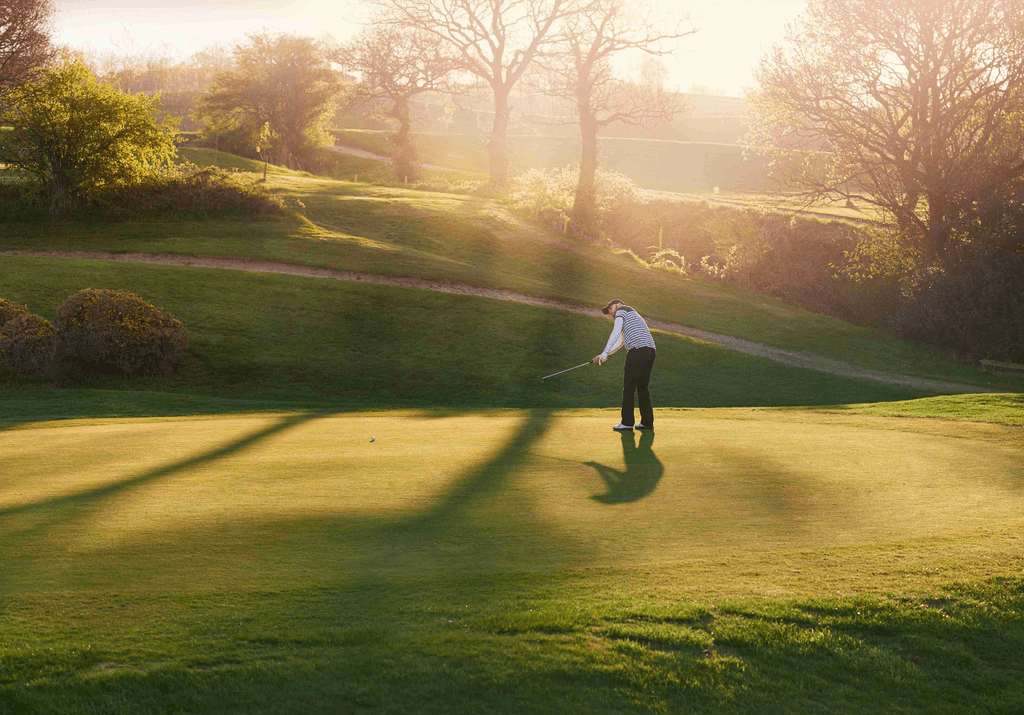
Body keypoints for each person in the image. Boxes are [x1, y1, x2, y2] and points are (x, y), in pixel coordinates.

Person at [591, 299, 657, 431]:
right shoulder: (632, 316)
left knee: (628, 387)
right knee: (642, 387)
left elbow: (615, 332)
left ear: (617, 305)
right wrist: (606, 354)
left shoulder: (622, 310)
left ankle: (626, 423)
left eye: (610, 309)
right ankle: (647, 422)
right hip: (650, 351)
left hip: (637, 351)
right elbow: (621, 340)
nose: (610, 313)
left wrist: (604, 353)